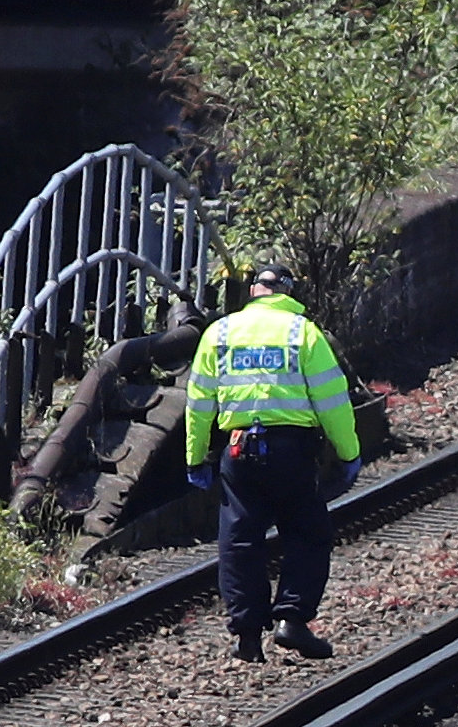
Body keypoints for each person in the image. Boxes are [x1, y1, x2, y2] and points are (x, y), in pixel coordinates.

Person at [185, 263, 363, 664]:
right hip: (292, 452)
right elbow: (332, 401)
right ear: (288, 292)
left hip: (237, 451)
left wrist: (196, 458)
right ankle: (292, 620)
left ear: (253, 292)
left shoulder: (221, 333)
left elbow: (198, 404)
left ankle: (247, 635)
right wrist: (348, 453)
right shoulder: (303, 333)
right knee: (306, 532)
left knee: (239, 540)